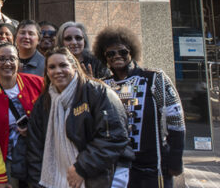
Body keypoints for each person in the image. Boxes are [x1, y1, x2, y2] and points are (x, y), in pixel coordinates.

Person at [27, 47, 132, 188]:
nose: (58, 71)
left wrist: (82, 167)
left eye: (63, 65)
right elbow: (35, 148)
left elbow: (114, 136)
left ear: (74, 67)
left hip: (101, 176)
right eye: (52, 67)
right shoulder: (43, 103)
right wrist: (37, 182)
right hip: (56, 180)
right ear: (47, 72)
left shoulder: (98, 93)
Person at [94, 26, 185, 188]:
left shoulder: (154, 78)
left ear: (131, 52)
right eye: (110, 53)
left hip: (152, 168)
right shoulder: (103, 85)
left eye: (122, 52)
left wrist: (175, 160)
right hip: (117, 168)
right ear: (105, 57)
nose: (117, 56)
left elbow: (176, 120)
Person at [0, 42, 43, 187]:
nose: (7, 63)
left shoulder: (37, 83)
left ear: (18, 61)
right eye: (1, 59)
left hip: (38, 158)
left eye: (12, 58)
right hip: (7, 161)